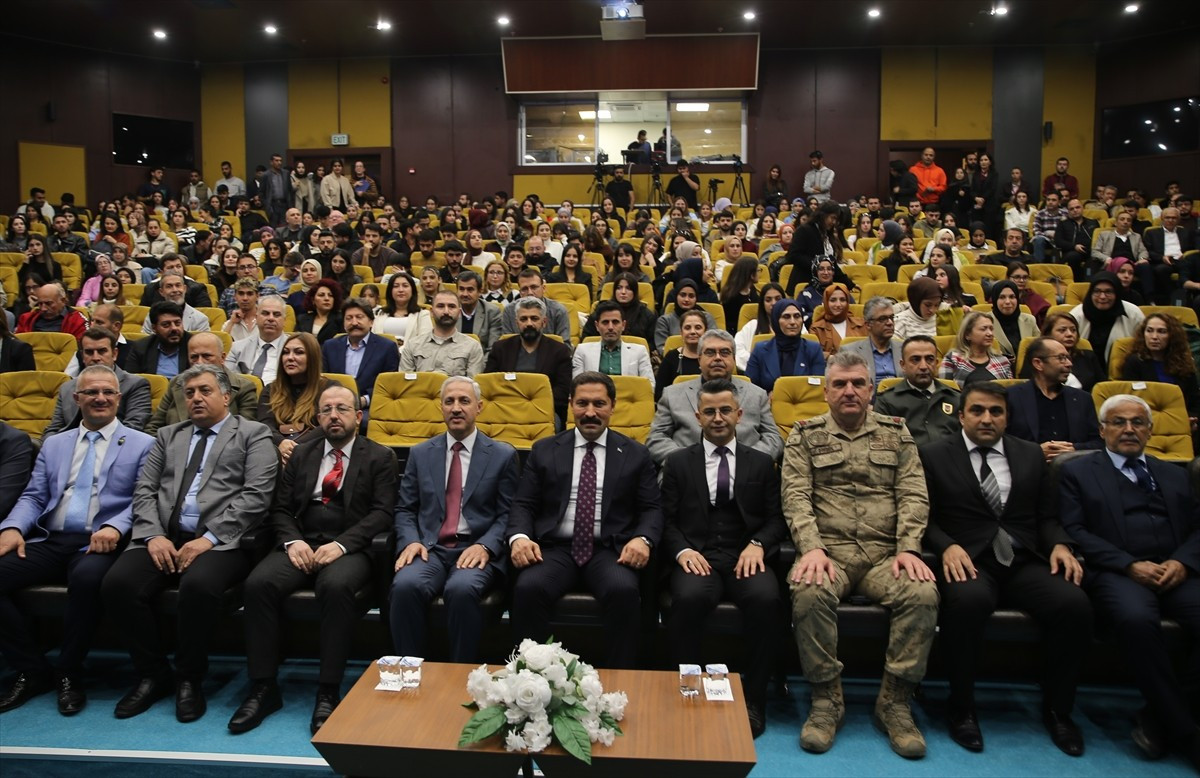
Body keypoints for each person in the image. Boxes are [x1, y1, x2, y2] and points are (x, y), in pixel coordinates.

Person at [920, 381, 1090, 755]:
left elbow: (1046, 515)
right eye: (977, 411)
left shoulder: (1029, 454)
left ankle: (1058, 710)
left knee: (1073, 605)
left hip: (1023, 558)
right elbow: (924, 517)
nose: (987, 419)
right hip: (970, 559)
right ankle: (961, 707)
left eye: (996, 412)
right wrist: (945, 546)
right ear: (961, 415)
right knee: (967, 604)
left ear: (1007, 417)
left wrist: (1060, 543)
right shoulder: (933, 455)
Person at [784, 350, 938, 757]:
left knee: (922, 593)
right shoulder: (803, 434)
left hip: (885, 555)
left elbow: (912, 493)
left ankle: (895, 703)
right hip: (829, 553)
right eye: (840, 384)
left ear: (871, 389)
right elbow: (796, 497)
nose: (849, 391)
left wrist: (909, 548)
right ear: (826, 392)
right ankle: (825, 701)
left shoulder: (897, 432)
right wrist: (811, 549)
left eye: (857, 384)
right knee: (808, 589)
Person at [101, 365, 277, 723]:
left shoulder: (253, 434)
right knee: (117, 584)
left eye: (205, 391)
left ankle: (189, 678)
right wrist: (153, 536)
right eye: (190, 392)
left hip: (224, 541)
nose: (195, 397)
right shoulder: (168, 435)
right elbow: (145, 491)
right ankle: (153, 674)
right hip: (165, 535)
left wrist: (208, 539)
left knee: (197, 586)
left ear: (226, 396)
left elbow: (256, 497)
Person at [229, 385, 396, 735]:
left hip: (349, 548)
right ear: (318, 417)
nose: (334, 415)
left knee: (335, 586)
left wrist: (342, 545)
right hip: (301, 543)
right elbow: (280, 508)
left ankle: (328, 689)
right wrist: (292, 541)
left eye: (342, 409)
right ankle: (263, 686)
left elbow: (382, 514)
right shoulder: (302, 454)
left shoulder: (379, 457)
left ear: (358, 416)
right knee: (258, 585)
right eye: (326, 410)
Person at [0, 367, 154, 716]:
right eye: (91, 392)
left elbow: (143, 499)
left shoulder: (143, 443)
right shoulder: (54, 444)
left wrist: (116, 527)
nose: (100, 398)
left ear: (119, 397)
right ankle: (31, 669)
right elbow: (34, 496)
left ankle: (69, 671)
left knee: (87, 579)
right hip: (50, 538)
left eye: (108, 392)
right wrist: (11, 529)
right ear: (76, 398)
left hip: (100, 541)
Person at [1059, 394, 1200, 769]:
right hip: (1117, 572)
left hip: (1175, 571)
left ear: (1150, 431)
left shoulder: (1176, 473)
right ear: (1102, 429)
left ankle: (1160, 714)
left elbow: (1198, 528)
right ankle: (1186, 731)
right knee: (1136, 621)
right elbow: (1074, 530)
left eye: (1137, 423)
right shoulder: (1078, 472)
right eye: (1118, 422)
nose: (1128, 429)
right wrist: (1128, 564)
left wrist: (1183, 562)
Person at [507, 372, 663, 668]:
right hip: (555, 549)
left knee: (623, 590)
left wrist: (643, 539)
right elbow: (523, 504)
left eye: (599, 403)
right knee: (529, 588)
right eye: (582, 403)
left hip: (609, 550)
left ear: (612, 406)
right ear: (570, 405)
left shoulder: (636, 453)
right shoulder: (544, 450)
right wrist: (520, 538)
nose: (590, 412)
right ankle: (529, 680)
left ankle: (623, 679)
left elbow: (652, 509)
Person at [660, 378, 787, 738]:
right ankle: (688, 691)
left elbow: (778, 519)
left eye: (725, 410)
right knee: (687, 598)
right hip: (697, 553)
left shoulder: (762, 464)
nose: (718, 418)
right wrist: (683, 551)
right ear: (698, 417)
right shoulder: (678, 463)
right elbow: (665, 520)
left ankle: (754, 698)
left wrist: (759, 544)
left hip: (746, 553)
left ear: (740, 414)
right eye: (710, 412)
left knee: (766, 600)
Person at [389, 376, 520, 663]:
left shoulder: (502, 455)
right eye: (449, 401)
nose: (456, 408)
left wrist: (486, 546)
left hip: (476, 548)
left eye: (464, 401)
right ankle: (411, 671)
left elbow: (508, 514)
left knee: (461, 590)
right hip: (431, 549)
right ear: (441, 407)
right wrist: (410, 541)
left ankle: (461, 674)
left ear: (480, 407)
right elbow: (405, 509)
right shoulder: (421, 453)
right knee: (405, 586)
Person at [651, 329, 784, 465]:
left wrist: (746, 461)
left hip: (746, 474)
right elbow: (656, 438)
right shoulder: (672, 394)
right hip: (687, 475)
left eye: (725, 352)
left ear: (734, 359)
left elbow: (773, 438)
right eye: (710, 352)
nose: (718, 358)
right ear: (699, 359)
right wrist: (686, 462)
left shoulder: (757, 394)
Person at [1006, 336, 1103, 460]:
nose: (1069, 364)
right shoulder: (1011, 397)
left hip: (1074, 470)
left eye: (1068, 358)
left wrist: (1074, 449)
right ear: (1038, 363)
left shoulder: (1083, 399)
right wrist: (1036, 451)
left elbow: (1098, 443)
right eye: (1061, 358)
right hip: (1028, 469)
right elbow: (1002, 441)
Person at [146, 332, 258, 435]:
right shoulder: (176, 383)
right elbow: (154, 427)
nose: (199, 362)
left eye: (206, 356)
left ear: (222, 357)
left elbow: (245, 433)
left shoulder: (243, 387)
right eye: (194, 357)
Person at [45, 328, 151, 436]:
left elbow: (134, 427)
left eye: (102, 351)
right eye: (89, 352)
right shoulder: (67, 387)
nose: (95, 358)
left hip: (117, 446)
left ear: (114, 354)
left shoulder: (135, 384)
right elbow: (54, 428)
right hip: (71, 447)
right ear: (82, 356)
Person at [484, 297, 573, 424]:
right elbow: (490, 384)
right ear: (517, 322)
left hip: (544, 411)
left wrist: (533, 404)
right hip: (505, 409)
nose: (529, 323)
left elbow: (562, 391)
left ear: (544, 322)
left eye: (534, 318)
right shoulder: (501, 348)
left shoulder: (559, 350)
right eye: (523, 319)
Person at [257, 333, 337, 466]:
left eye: (299, 352)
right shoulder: (270, 389)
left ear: (312, 358)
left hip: (316, 453)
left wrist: (295, 448)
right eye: (286, 353)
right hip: (276, 453)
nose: (290, 358)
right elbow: (264, 425)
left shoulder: (330, 389)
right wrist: (281, 443)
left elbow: (328, 424)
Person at [874, 335, 962, 446]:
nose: (923, 366)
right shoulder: (887, 401)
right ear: (903, 365)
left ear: (936, 363)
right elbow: (884, 444)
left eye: (929, 359)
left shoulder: (955, 398)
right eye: (916, 360)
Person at [320, 299, 399, 414]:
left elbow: (390, 385)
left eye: (359, 317)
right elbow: (322, 381)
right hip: (333, 408)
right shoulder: (329, 346)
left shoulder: (387, 347)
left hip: (371, 408)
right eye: (349, 318)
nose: (354, 322)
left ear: (371, 322)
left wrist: (364, 400)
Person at [1121, 313, 1200, 426]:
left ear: (1172, 336)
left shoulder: (1184, 363)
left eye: (1161, 331)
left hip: (1180, 422)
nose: (1154, 336)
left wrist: (1192, 419)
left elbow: (1195, 400)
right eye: (1149, 330)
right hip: (1146, 423)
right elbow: (1129, 400)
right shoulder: (1134, 362)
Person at [1068, 272, 1145, 372]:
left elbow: (1143, 346)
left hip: (1122, 371)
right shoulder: (1077, 314)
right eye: (1097, 291)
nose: (1102, 296)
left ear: (1117, 293)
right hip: (1081, 373)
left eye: (1108, 292)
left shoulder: (1133, 314)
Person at [745, 298, 825, 392]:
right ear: (776, 320)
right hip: (768, 405)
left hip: (806, 405)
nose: (792, 322)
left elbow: (818, 386)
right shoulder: (760, 350)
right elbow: (750, 388)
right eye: (786, 317)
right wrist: (765, 398)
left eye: (797, 316)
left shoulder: (813, 349)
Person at [399, 290, 485, 377]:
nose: (446, 311)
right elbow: (405, 383)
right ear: (431, 312)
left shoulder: (472, 346)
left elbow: (473, 385)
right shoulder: (413, 345)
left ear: (459, 313)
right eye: (440, 306)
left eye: (451, 306)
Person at [571, 300, 655, 386]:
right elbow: (576, 387)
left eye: (615, 322)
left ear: (623, 325)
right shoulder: (582, 351)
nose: (610, 327)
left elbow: (649, 386)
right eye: (605, 322)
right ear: (597, 326)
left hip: (628, 398)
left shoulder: (640, 352)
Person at [225, 295, 289, 385]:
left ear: (284, 320)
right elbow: (226, 380)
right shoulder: (237, 347)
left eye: (276, 314)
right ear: (257, 317)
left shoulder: (293, 349)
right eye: (265, 313)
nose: (271, 318)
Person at [839, 297, 903, 386]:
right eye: (882, 319)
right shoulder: (849, 352)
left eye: (891, 317)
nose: (890, 323)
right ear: (868, 325)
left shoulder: (904, 349)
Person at [499, 269, 572, 345]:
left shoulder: (558, 310)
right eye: (524, 289)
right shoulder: (509, 310)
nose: (530, 293)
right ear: (520, 292)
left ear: (543, 288)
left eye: (534, 287)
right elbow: (506, 344)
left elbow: (565, 345)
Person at [940, 311, 1014, 385]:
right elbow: (944, 392)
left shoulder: (1003, 361)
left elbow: (1010, 392)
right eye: (983, 329)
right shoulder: (953, 359)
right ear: (967, 335)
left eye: (991, 329)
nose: (990, 334)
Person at [126, 302, 192, 379]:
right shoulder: (141, 347)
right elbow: (130, 380)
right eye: (166, 325)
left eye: (177, 323)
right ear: (154, 328)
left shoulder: (193, 344)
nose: (174, 328)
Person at [808, 284, 867, 356]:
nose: (838, 304)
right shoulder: (817, 329)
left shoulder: (862, 324)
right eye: (833, 300)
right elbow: (813, 354)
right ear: (826, 303)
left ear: (848, 302)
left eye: (842, 300)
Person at [15, 283, 88, 341]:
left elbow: (82, 347)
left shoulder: (78, 321)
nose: (43, 309)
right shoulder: (26, 319)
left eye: (48, 303)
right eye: (40, 304)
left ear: (63, 301)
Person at [987, 280, 1038, 358]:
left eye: (1012, 297)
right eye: (1002, 297)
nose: (1007, 301)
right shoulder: (985, 321)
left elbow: (1040, 348)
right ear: (995, 300)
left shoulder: (1030, 320)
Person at [1054, 200, 1099, 279]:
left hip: (1090, 252)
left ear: (1082, 208)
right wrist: (1074, 246)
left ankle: (1089, 284)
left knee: (1095, 260)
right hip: (1071, 252)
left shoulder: (1093, 223)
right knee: (1073, 256)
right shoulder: (1063, 224)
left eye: (1077, 207)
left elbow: (1099, 239)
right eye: (1071, 209)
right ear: (1068, 211)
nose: (1075, 210)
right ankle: (1076, 281)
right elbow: (1058, 241)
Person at [296, 279, 344, 344]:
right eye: (321, 295)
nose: (327, 298)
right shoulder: (302, 319)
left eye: (330, 295)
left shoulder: (341, 319)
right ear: (313, 300)